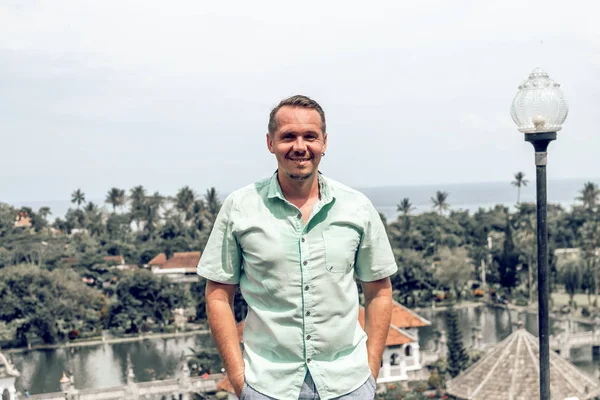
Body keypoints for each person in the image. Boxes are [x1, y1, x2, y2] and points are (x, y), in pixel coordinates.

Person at [197, 95, 397, 400]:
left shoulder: (357, 208)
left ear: (325, 143)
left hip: (349, 385)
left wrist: (370, 370)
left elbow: (379, 289)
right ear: (270, 142)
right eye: (288, 136)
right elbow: (218, 294)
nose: (300, 146)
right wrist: (239, 380)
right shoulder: (240, 208)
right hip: (268, 386)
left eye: (310, 137)